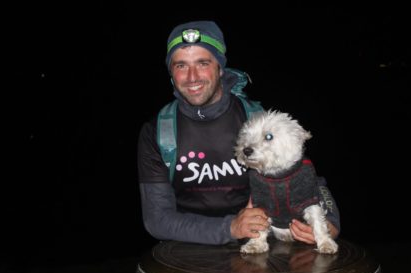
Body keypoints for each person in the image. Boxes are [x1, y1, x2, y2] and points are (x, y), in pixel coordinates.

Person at [137, 20, 340, 246]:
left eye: (203, 63)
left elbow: (306, 176)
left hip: (258, 241)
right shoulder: (158, 131)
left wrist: (330, 221)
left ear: (220, 67)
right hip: (185, 243)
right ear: (171, 73)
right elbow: (157, 220)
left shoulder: (256, 120)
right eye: (181, 65)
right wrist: (230, 227)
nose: (192, 77)